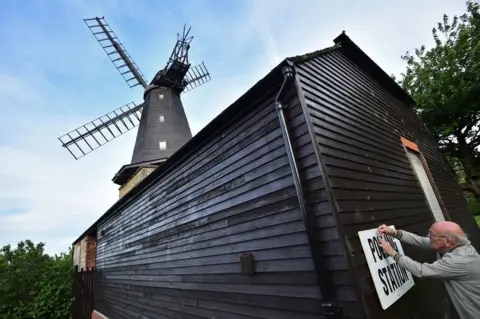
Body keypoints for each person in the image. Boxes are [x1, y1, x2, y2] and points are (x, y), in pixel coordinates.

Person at [377, 221, 480, 319]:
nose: (428, 236)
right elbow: (420, 240)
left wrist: (392, 252)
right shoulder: (456, 245)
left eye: (431, 234)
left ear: (448, 241)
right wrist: (393, 232)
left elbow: (420, 270)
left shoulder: (459, 261)